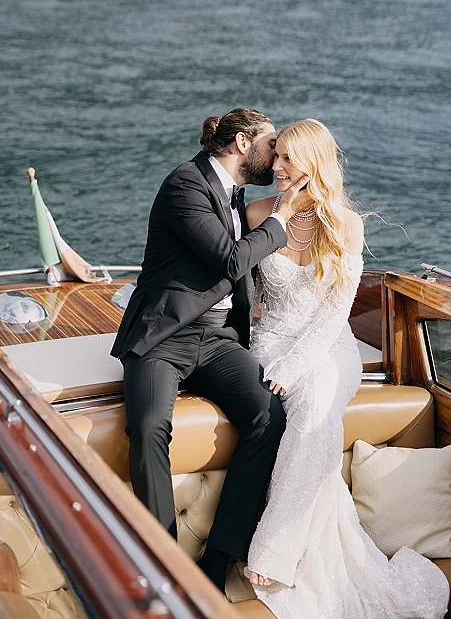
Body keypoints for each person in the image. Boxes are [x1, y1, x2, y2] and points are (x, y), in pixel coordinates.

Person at [243, 118, 449, 619]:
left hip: (330, 346)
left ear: (314, 163)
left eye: (289, 157)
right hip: (270, 340)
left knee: (314, 401)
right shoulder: (255, 214)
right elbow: (244, 296)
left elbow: (336, 312)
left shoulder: (345, 226)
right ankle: (289, 548)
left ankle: (274, 550)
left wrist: (294, 365)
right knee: (305, 414)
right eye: (277, 155)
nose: (277, 165)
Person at [111, 108, 311, 591]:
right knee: (148, 424)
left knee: (269, 417)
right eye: (270, 145)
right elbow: (231, 258)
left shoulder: (236, 193)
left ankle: (218, 557)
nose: (275, 157)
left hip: (220, 338)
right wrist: (282, 218)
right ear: (243, 143)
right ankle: (163, 565)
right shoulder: (185, 185)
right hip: (164, 336)